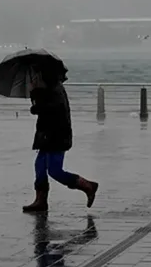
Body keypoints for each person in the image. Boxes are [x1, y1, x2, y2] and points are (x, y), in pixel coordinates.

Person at [22, 68, 99, 213]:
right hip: (46, 135)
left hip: (56, 136)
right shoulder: (47, 88)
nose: (35, 76)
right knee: (39, 167)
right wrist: (34, 92)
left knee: (55, 171)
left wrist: (36, 99)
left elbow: (51, 109)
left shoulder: (54, 89)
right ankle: (40, 201)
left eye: (37, 74)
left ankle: (87, 185)